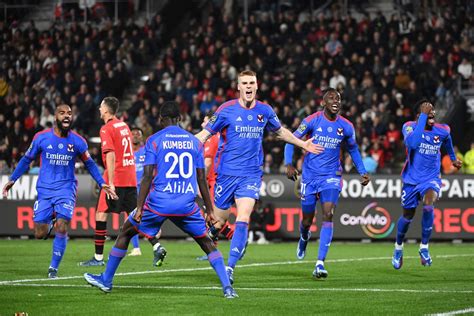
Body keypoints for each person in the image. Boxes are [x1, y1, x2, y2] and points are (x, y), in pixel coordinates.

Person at [84, 101, 238, 298]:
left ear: (160, 119)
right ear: (180, 119)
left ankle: (106, 280)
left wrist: (139, 207)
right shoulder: (194, 141)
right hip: (186, 204)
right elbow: (201, 178)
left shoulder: (155, 140)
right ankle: (227, 288)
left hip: (159, 203)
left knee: (125, 233)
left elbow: (147, 176)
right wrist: (209, 210)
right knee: (207, 243)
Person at [195, 70, 324, 284]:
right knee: (216, 221)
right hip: (226, 174)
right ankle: (224, 236)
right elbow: (204, 134)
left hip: (251, 174)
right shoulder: (225, 110)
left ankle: (230, 267)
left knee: (244, 216)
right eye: (244, 83)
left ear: (257, 86)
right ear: (238, 87)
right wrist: (181, 141)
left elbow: (280, 131)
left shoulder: (264, 110)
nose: (248, 86)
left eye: (251, 83)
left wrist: (303, 144)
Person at [2, 104, 117, 278]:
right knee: (39, 233)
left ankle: (53, 268)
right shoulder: (41, 138)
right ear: (55, 117)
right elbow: (26, 160)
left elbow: (90, 163)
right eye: (62, 113)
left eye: (69, 113)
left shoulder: (78, 141)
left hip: (66, 189)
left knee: (62, 226)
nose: (66, 116)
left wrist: (102, 182)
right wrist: (12, 179)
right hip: (45, 190)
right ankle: (50, 222)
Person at [284, 88, 370, 279]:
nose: (336, 101)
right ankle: (304, 236)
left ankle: (320, 263)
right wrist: (289, 163)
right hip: (309, 177)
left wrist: (362, 171)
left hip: (332, 176)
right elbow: (290, 140)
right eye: (331, 98)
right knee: (307, 220)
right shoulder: (312, 120)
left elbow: (353, 149)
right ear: (323, 102)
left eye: (338, 98)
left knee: (328, 214)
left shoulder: (346, 126)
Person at [392, 100, 462, 269]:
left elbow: (448, 141)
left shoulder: (443, 129)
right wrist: (422, 117)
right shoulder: (409, 127)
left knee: (429, 204)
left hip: (430, 179)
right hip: (411, 180)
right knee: (407, 217)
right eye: (426, 111)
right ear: (419, 115)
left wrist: (453, 159)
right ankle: (398, 247)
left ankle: (424, 247)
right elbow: (413, 143)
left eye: (432, 111)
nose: (432, 112)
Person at [79, 97, 138, 267]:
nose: (99, 109)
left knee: (101, 214)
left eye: (101, 106)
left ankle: (98, 258)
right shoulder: (124, 125)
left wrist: (110, 182)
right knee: (136, 215)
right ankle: (156, 244)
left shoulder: (106, 129)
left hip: (116, 177)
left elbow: (111, 155)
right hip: (129, 176)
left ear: (106, 110)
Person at [127, 127, 167, 266]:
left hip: (146, 190)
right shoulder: (128, 153)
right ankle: (140, 247)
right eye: (133, 134)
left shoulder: (147, 150)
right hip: (132, 189)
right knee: (132, 219)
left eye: (138, 134)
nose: (135, 136)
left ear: (142, 137)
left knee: (133, 220)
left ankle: (150, 240)